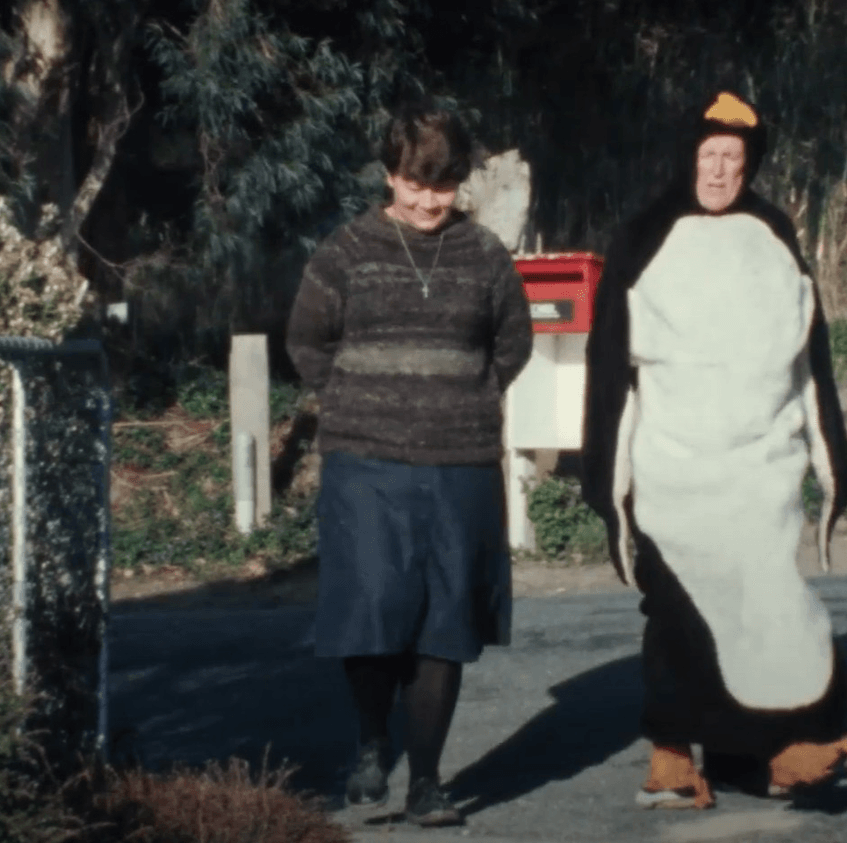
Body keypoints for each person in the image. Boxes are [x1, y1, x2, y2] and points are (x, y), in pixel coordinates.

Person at [580, 91, 847, 810]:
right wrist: (608, 485)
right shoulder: (645, 238)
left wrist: (830, 462)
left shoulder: (774, 234)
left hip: (758, 473)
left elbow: (811, 362)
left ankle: (780, 750)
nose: (718, 171)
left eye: (732, 158)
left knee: (773, 607)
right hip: (674, 474)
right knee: (681, 617)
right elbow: (611, 373)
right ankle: (672, 759)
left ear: (751, 163)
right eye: (708, 155)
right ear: (687, 157)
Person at [286, 98, 533, 826]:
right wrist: (359, 399)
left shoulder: (485, 254)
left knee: (444, 623)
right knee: (370, 609)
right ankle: (372, 740)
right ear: (390, 175)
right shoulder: (345, 251)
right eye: (415, 183)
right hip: (366, 464)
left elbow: (512, 342)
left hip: (461, 463)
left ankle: (426, 781)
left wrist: (465, 395)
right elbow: (307, 341)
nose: (429, 200)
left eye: (444, 185)